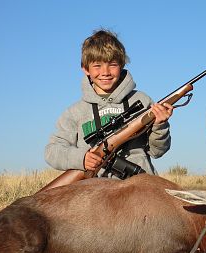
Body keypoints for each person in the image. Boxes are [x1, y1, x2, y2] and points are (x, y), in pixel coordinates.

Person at [45, 29, 173, 178]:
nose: (105, 72)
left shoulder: (142, 101)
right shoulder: (74, 112)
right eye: (97, 66)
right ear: (85, 69)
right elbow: (51, 152)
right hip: (94, 191)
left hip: (138, 186)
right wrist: (82, 158)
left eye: (112, 64)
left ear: (122, 65)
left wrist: (160, 125)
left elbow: (158, 151)